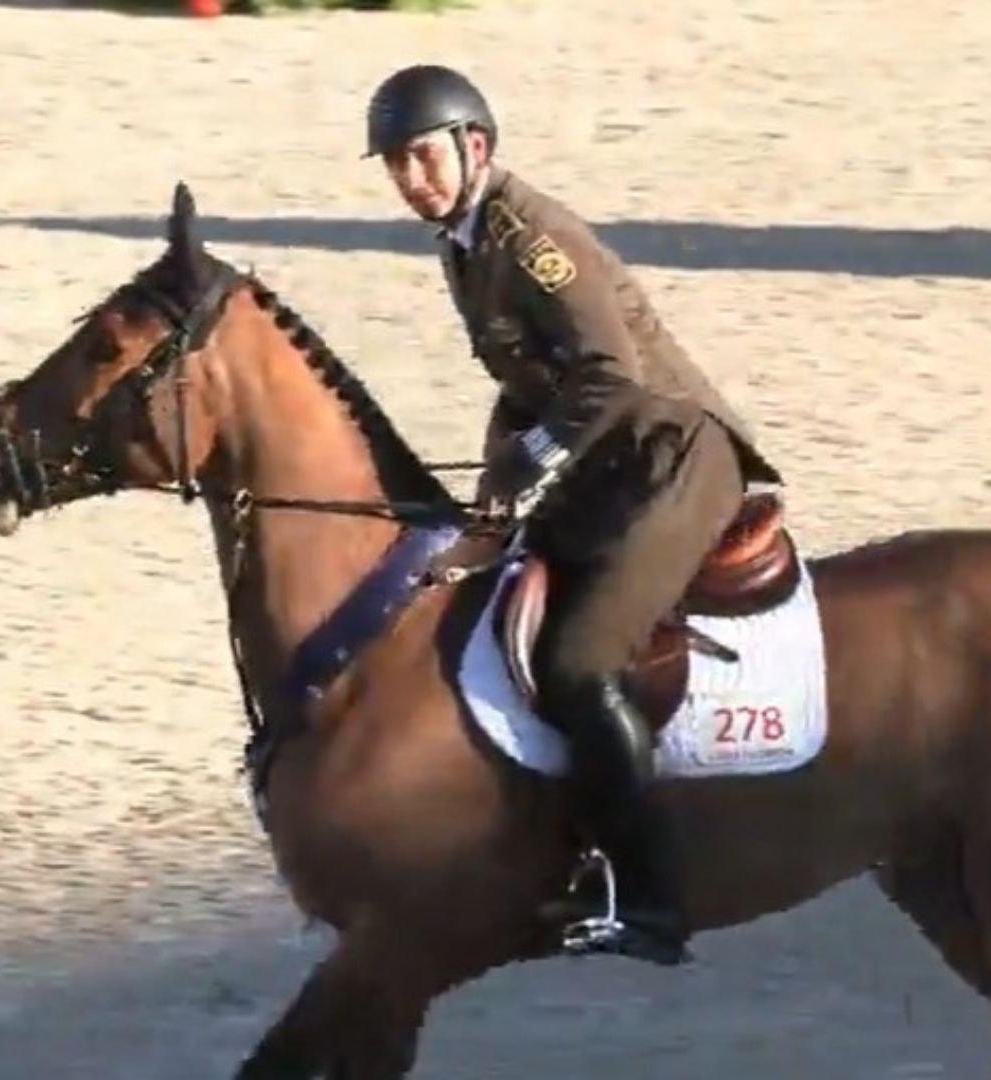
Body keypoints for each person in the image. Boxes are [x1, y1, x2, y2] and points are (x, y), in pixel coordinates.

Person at [364, 63, 783, 967]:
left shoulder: (532, 238)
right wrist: (495, 486)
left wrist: (539, 453)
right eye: (395, 163)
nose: (410, 177)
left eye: (423, 156)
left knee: (579, 661)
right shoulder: (464, 241)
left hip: (671, 461)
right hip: (605, 466)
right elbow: (525, 382)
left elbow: (607, 373)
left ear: (476, 146)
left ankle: (653, 900)